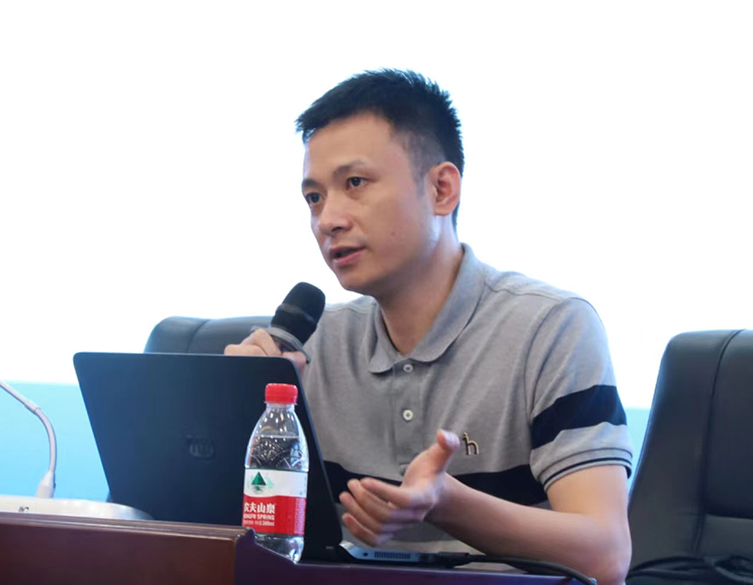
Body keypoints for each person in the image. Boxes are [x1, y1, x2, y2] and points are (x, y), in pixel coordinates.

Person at [225, 69, 633, 585]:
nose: (328, 219)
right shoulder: (314, 347)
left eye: (355, 184)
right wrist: (239, 420)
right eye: (314, 198)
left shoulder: (551, 327)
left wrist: (446, 503)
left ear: (441, 189)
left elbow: (606, 555)